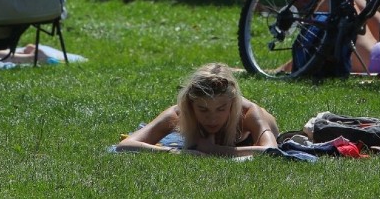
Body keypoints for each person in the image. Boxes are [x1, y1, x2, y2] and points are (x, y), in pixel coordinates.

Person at [116, 63, 279, 156]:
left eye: (221, 109)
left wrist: (214, 150)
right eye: (203, 109)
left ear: (233, 104)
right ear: (190, 105)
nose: (212, 119)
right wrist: (176, 153)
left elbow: (271, 150)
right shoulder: (179, 113)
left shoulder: (248, 113)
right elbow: (125, 145)